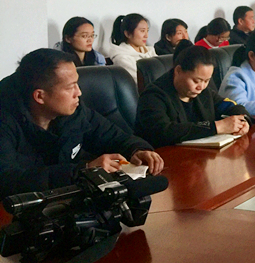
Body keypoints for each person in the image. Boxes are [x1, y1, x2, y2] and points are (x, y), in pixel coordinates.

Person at [0, 49, 163, 198]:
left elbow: (113, 136)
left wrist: (137, 149)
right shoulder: (5, 121)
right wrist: (83, 170)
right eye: (70, 87)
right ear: (40, 96)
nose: (79, 92)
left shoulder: (74, 111)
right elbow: (8, 181)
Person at [135, 46, 251, 148]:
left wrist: (242, 120)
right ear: (178, 71)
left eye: (207, 81)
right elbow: (163, 132)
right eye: (196, 80)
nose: (201, 87)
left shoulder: (204, 91)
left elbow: (229, 105)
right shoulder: (153, 96)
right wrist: (216, 127)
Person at [108, 13, 157, 82]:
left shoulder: (150, 51)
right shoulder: (122, 58)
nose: (146, 35)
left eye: (147, 31)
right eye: (142, 31)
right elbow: (139, 81)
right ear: (128, 34)